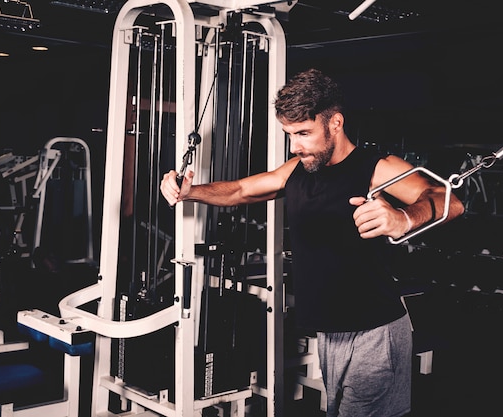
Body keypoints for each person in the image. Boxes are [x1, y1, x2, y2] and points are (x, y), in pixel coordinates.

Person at [160, 68, 465, 417]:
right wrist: (191, 192)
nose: (296, 145)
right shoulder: (296, 170)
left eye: (304, 133)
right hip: (332, 332)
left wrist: (403, 219)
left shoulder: (375, 167)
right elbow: (242, 190)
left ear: (335, 123)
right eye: (290, 134)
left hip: (375, 333)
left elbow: (448, 199)